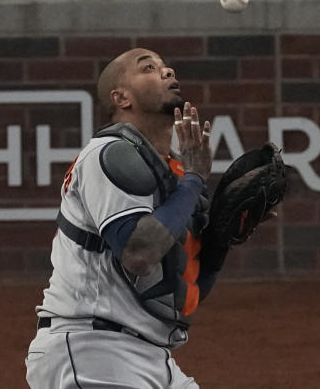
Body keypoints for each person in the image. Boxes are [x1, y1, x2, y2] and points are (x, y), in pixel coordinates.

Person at [25, 48, 218, 388]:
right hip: (93, 351)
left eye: (166, 66)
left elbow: (178, 284)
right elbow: (138, 253)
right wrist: (194, 180)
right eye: (149, 68)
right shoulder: (109, 154)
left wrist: (225, 239)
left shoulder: (168, 169)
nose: (167, 71)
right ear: (121, 97)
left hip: (147, 354)